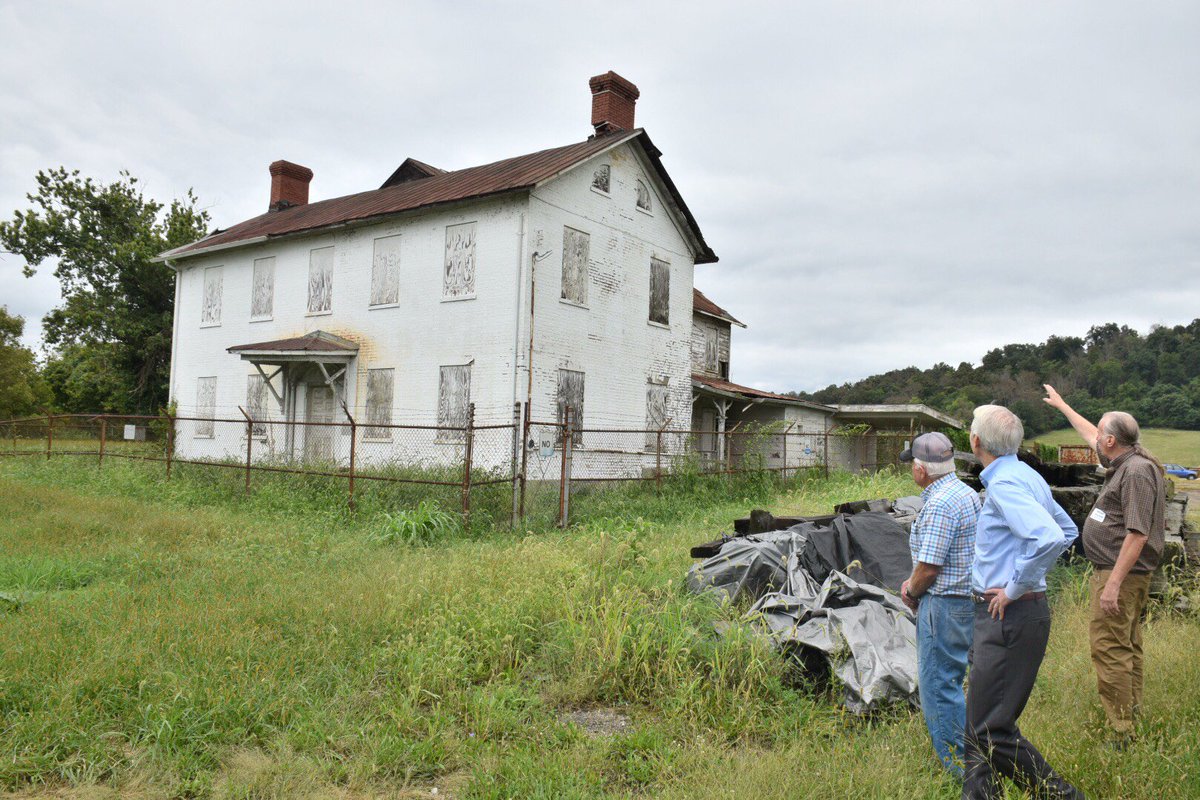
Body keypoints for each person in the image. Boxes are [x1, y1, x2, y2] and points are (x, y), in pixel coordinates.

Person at [962, 405, 1084, 800]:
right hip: (1011, 614)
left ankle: (1062, 795)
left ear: (976, 441)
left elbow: (1050, 537)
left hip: (1009, 614)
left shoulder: (1005, 484)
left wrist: (1014, 587)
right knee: (979, 723)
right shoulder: (1026, 475)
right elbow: (1068, 529)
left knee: (991, 729)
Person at [1043, 385, 1166, 745]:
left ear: (1111, 441)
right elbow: (1091, 434)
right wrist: (1064, 406)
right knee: (1125, 645)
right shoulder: (1125, 459)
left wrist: (1112, 584)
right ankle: (1131, 712)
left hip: (1120, 576)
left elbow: (1138, 534)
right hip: (1119, 574)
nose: (1095, 438)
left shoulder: (1138, 472)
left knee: (1110, 648)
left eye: (1101, 434)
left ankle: (1121, 731)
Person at [899, 432, 981, 778]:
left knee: (939, 684)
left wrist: (911, 591)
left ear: (921, 470)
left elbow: (930, 567)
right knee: (957, 676)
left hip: (944, 604)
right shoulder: (966, 493)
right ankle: (976, 751)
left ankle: (960, 768)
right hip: (968, 599)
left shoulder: (939, 504)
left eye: (912, 466)